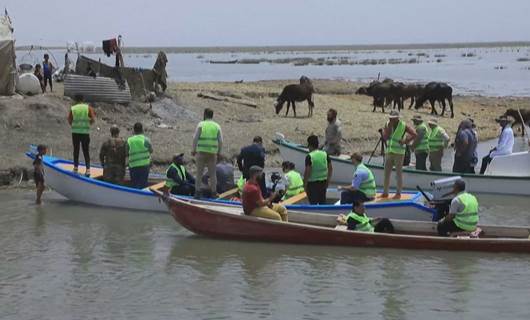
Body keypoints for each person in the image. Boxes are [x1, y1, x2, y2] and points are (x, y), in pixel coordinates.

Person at [381, 111, 417, 199]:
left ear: (397, 118)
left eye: (392, 118)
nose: (390, 119)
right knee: (386, 173)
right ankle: (385, 192)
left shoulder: (403, 125)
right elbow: (385, 137)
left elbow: (414, 134)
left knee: (398, 173)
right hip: (389, 151)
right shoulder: (387, 124)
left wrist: (405, 141)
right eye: (390, 118)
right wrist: (385, 132)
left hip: (399, 153)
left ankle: (398, 193)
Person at [192, 108, 223, 198]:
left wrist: (194, 150)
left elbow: (195, 138)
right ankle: (214, 193)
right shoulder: (217, 126)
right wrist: (219, 152)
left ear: (205, 114)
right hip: (212, 153)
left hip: (201, 152)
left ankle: (197, 192)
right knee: (213, 174)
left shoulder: (201, 124)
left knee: (199, 173)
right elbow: (221, 141)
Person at [67, 95, 96, 176]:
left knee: (76, 150)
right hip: (85, 132)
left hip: (75, 132)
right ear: (83, 99)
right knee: (86, 151)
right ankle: (88, 170)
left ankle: (75, 168)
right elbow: (93, 119)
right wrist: (87, 124)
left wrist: (74, 125)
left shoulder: (73, 108)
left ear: (75, 100)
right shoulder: (88, 108)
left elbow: (69, 120)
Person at [303, 135, 332, 204]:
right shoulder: (325, 154)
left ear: (309, 145)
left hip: (312, 184)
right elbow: (330, 168)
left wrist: (305, 184)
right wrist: (328, 180)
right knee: (322, 202)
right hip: (323, 182)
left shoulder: (310, 156)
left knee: (313, 203)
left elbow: (308, 172)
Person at [126, 122, 153, 189]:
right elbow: (151, 150)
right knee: (143, 184)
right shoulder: (146, 139)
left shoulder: (129, 140)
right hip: (145, 165)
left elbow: (126, 152)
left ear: (134, 130)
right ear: (142, 130)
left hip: (133, 166)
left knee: (134, 184)